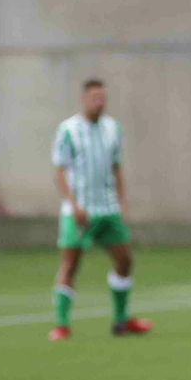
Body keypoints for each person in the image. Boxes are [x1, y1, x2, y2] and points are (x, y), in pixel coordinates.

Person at [49, 79, 153, 341]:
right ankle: (62, 324)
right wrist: (73, 205)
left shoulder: (112, 129)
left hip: (107, 208)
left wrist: (121, 201)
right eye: (95, 97)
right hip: (79, 210)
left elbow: (117, 167)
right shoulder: (68, 130)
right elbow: (59, 170)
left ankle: (120, 320)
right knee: (70, 264)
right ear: (83, 99)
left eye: (103, 97)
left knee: (125, 260)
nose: (100, 102)